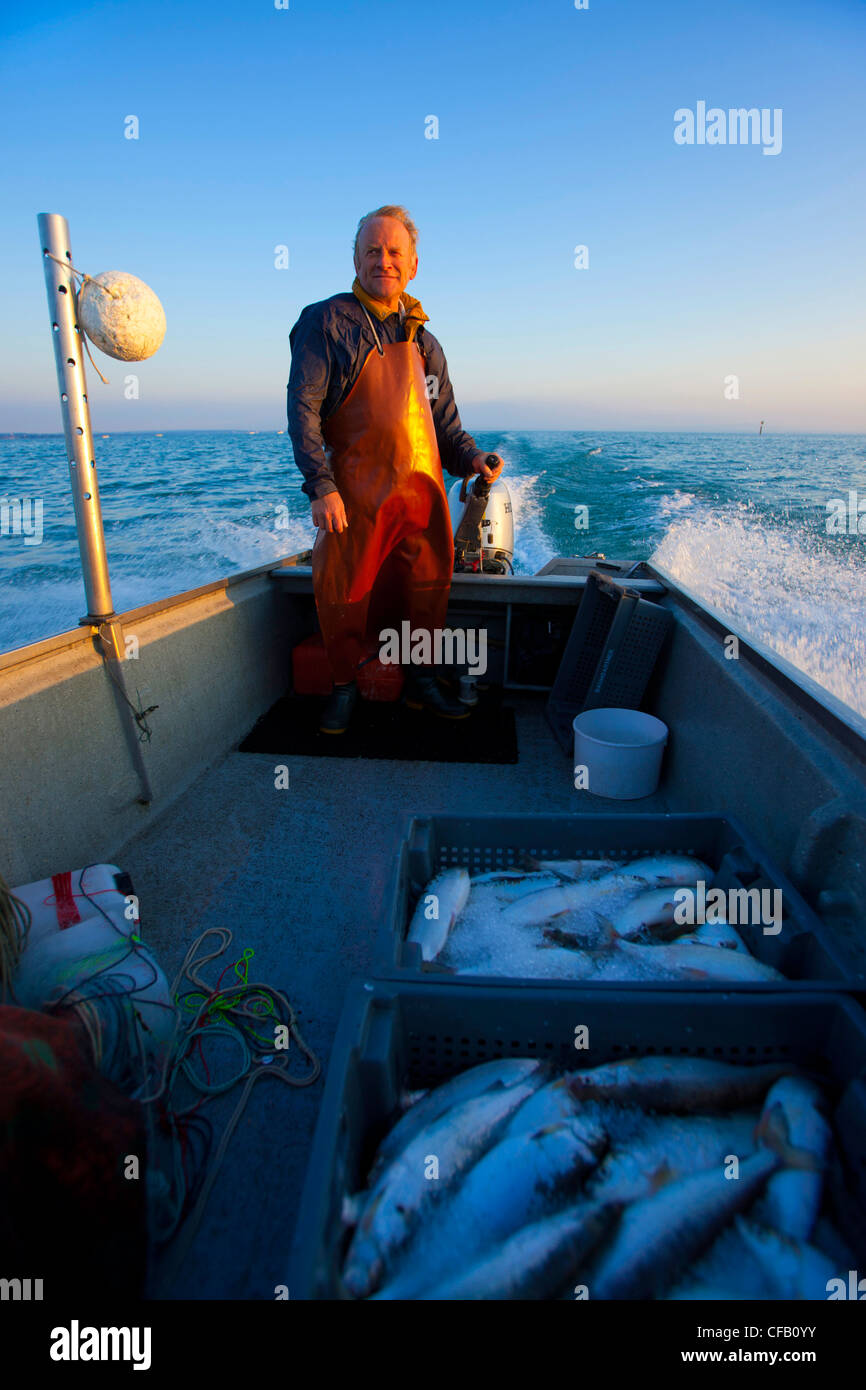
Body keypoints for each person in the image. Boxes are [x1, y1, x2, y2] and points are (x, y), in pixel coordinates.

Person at [287, 205, 503, 734]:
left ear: (412, 265)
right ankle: (343, 686)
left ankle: (422, 682)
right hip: (354, 496)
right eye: (372, 250)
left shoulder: (426, 342)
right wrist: (321, 486)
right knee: (345, 591)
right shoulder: (326, 321)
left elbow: (445, 428)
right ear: (356, 259)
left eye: (394, 252)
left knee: (426, 590)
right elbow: (303, 409)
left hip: (422, 500)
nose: (383, 260)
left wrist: (474, 458)